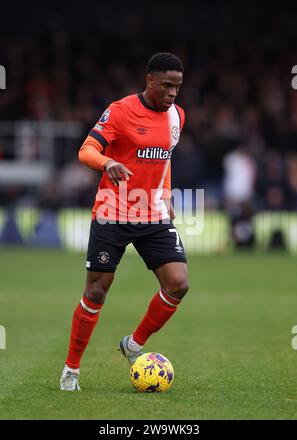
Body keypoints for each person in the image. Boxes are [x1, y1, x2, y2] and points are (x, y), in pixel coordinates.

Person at [60, 52, 189, 391]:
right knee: (97, 291)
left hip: (152, 212)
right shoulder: (119, 111)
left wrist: (166, 194)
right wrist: (107, 164)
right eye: (166, 86)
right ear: (149, 81)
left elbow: (164, 160)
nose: (173, 94)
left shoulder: (177, 117)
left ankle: (134, 344)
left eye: (177, 87)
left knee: (178, 283)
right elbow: (86, 150)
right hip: (113, 210)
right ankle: (71, 369)